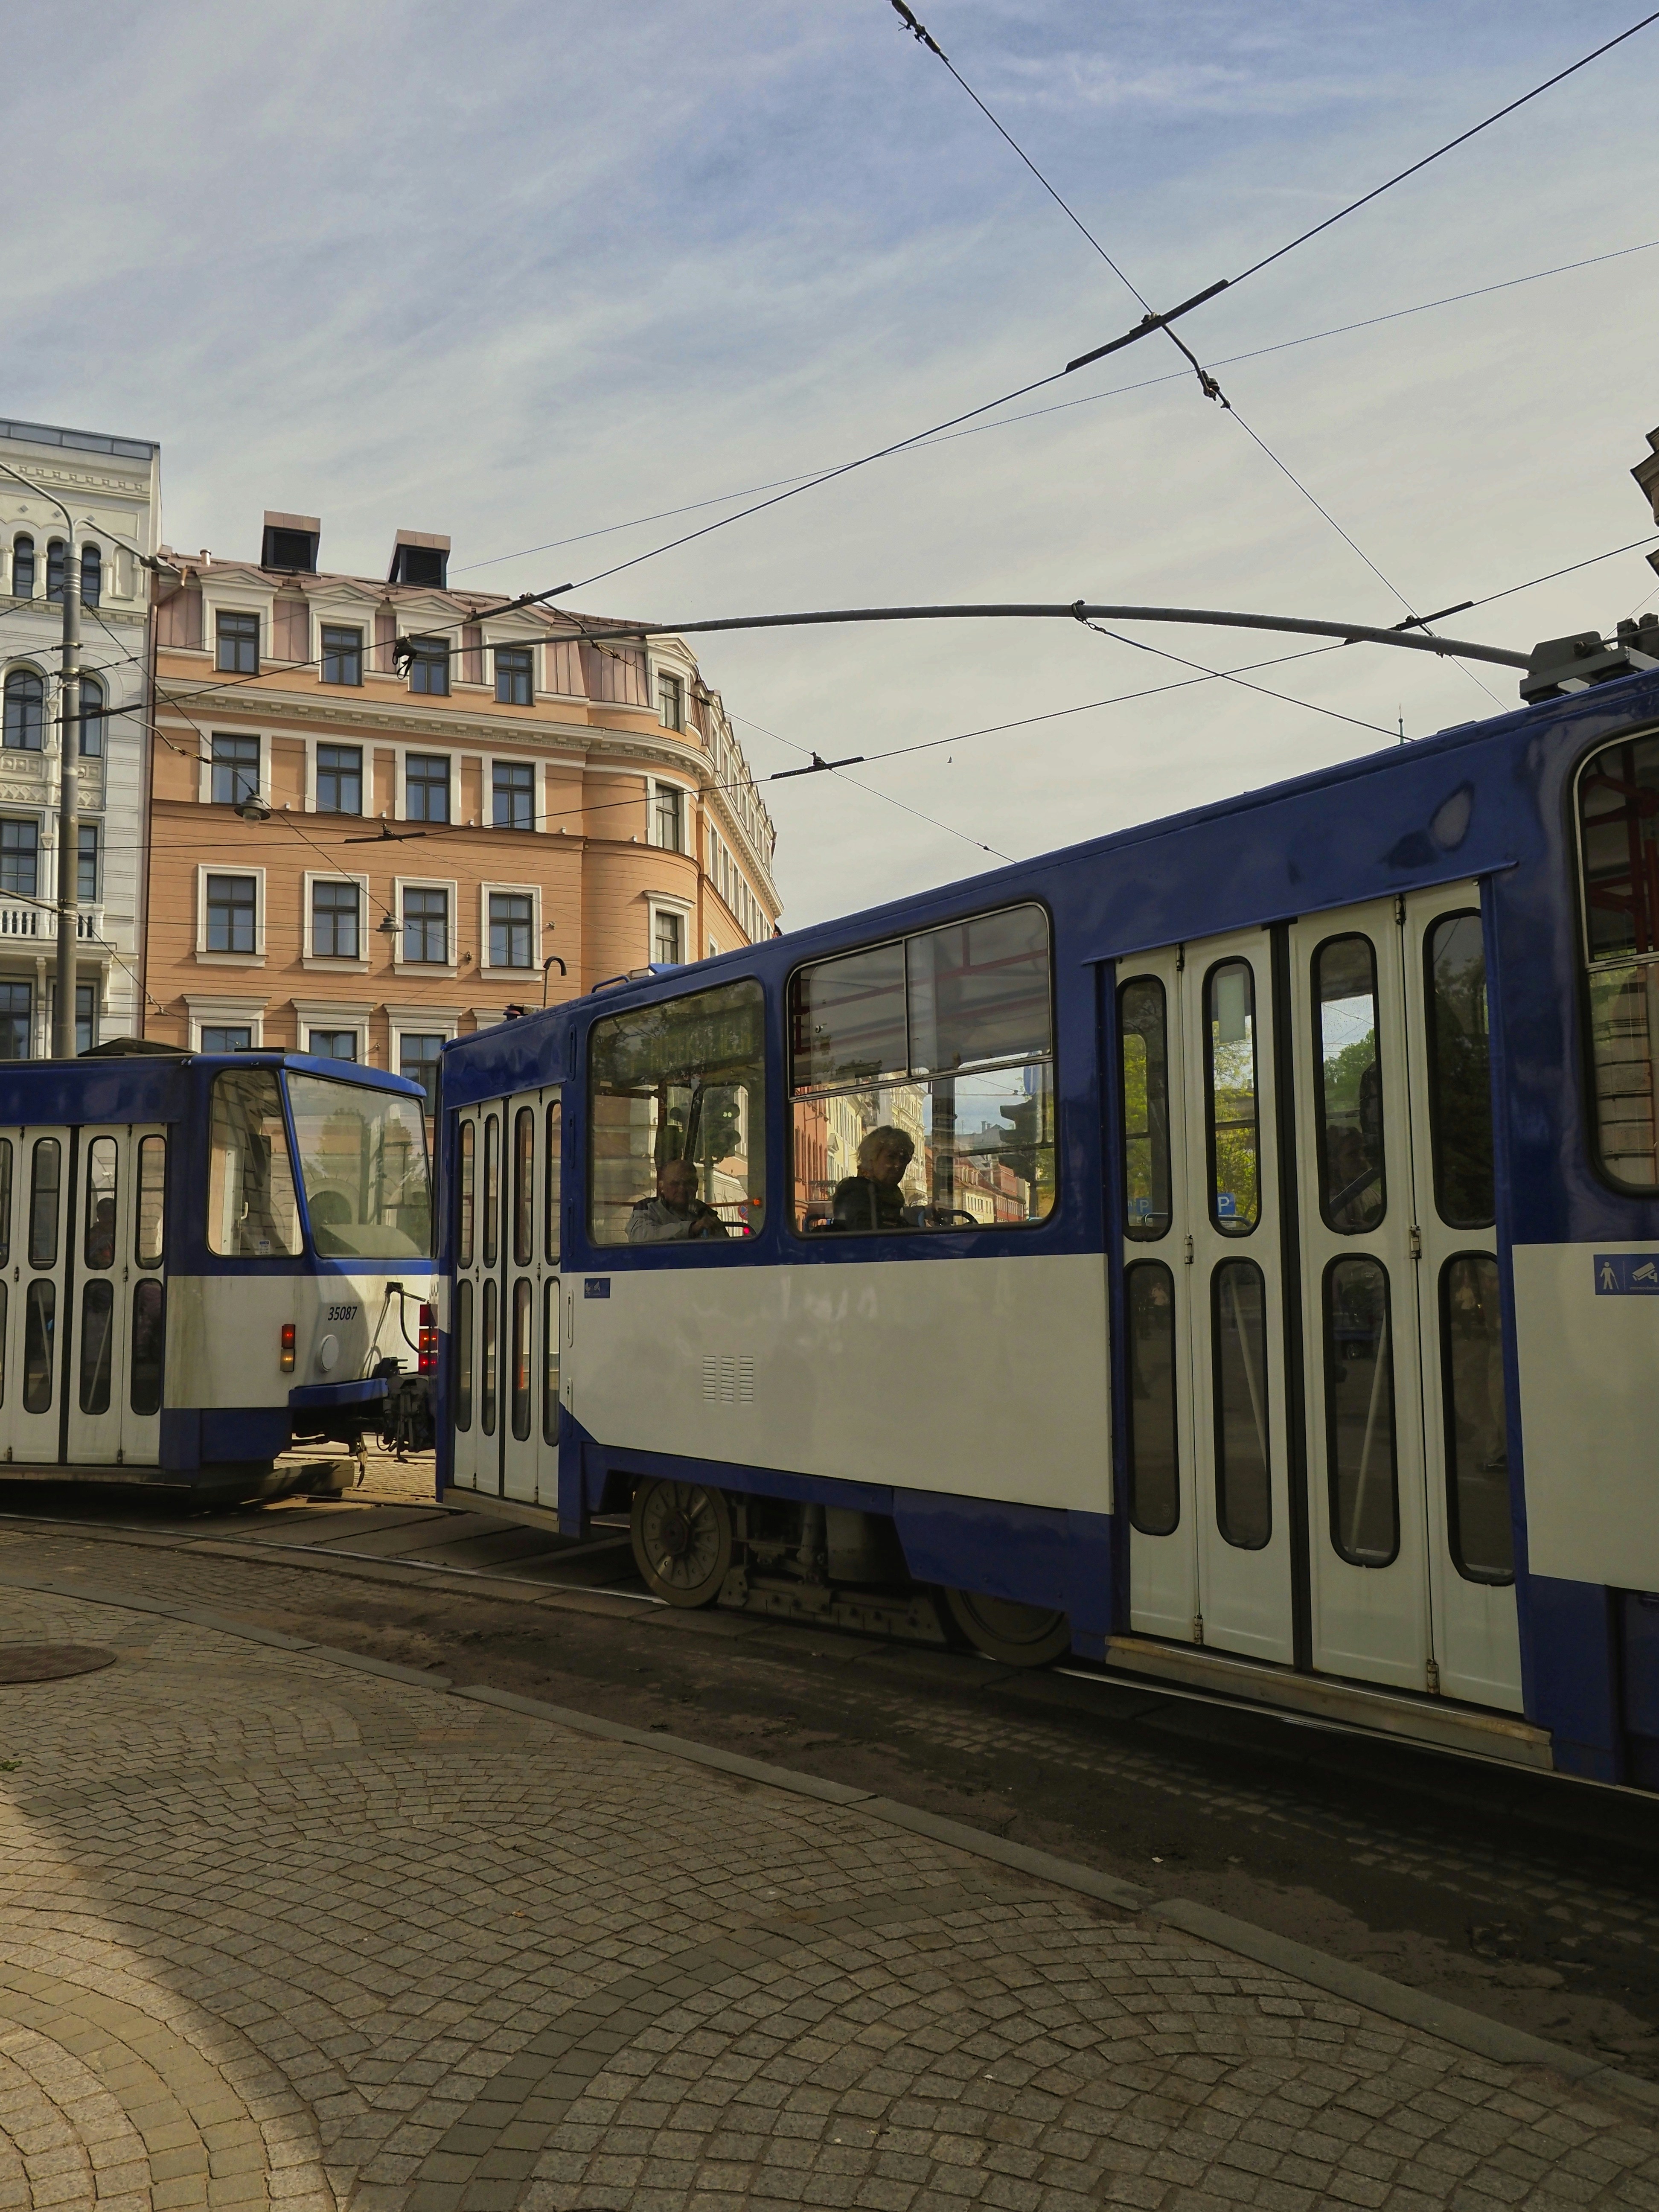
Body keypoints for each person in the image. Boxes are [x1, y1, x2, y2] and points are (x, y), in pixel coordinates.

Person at [829, 1125, 917, 1232]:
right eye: (891, 1157)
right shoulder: (855, 1192)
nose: (899, 1165)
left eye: (904, 1159)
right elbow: (870, 1234)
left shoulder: (892, 1195)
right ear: (871, 1158)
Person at [627, 1156, 730, 1243]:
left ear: (696, 1185)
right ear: (662, 1187)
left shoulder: (705, 1212)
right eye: (675, 1184)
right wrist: (691, 1229)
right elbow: (639, 1235)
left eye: (688, 1183)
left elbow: (725, 1247)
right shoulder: (647, 1208)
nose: (682, 1189)